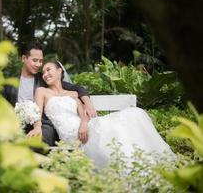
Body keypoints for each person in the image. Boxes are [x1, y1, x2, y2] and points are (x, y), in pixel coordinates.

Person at [33, 60, 176, 169]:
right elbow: (37, 112)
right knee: (114, 128)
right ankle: (136, 166)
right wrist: (37, 127)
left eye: (48, 69)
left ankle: (149, 163)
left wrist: (84, 123)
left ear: (59, 71)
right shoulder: (42, 91)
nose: (45, 74)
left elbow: (83, 114)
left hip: (85, 127)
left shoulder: (73, 93)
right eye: (43, 72)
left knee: (135, 114)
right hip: (72, 136)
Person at [1, 42, 96, 146]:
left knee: (39, 139)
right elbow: (2, 106)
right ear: (24, 58)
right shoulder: (9, 83)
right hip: (16, 124)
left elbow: (77, 88)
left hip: (42, 125)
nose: (38, 64)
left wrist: (87, 102)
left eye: (40, 61)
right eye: (35, 60)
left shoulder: (44, 79)